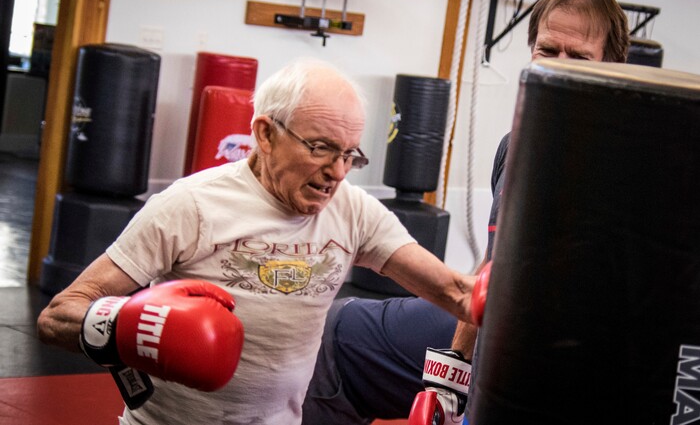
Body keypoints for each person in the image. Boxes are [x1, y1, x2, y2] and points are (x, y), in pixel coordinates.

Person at [36, 57, 479, 425]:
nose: (337, 171)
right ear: (265, 134)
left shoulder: (354, 211)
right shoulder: (190, 206)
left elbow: (457, 293)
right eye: (321, 147)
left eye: (349, 154)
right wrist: (133, 330)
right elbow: (58, 316)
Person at [301, 0, 630, 425]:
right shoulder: (521, 141)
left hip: (551, 358)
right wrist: (450, 368)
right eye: (548, 51)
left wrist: (456, 372)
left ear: (613, 66)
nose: (559, 68)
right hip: (507, 328)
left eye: (580, 58)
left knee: (339, 331)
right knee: (345, 324)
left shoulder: (632, 161)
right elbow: (496, 267)